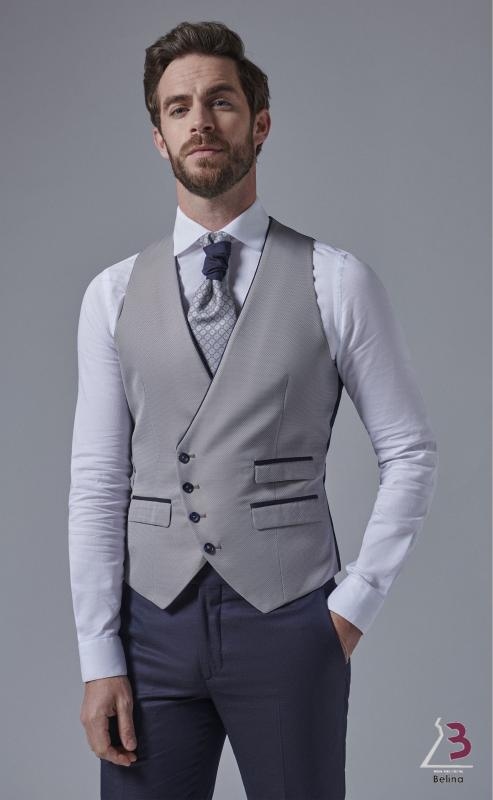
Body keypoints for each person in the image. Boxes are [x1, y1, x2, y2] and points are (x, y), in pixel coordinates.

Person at [68, 19, 439, 800]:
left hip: (290, 619)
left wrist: (351, 608)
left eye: (221, 102)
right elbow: (98, 481)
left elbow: (410, 452)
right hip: (150, 628)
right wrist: (99, 656)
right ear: (159, 137)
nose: (199, 121)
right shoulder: (110, 295)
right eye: (178, 108)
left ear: (259, 124)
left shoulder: (335, 281)